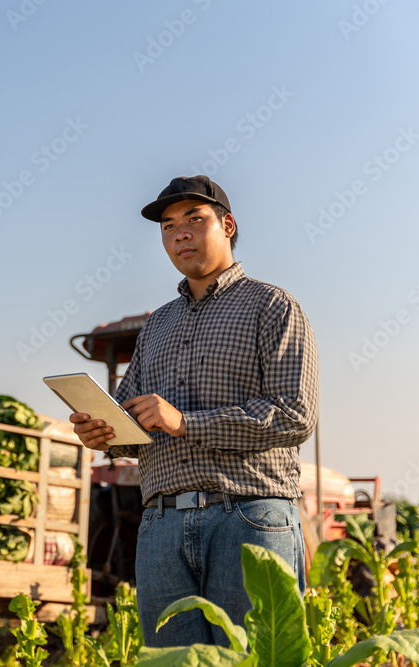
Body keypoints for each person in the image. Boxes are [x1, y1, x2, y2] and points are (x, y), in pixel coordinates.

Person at [70, 175, 319, 648]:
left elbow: (295, 414)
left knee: (249, 658)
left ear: (227, 225)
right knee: (171, 661)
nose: (179, 233)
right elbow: (137, 427)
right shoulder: (156, 326)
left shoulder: (273, 307)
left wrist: (186, 422)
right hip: (161, 524)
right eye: (167, 225)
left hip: (248, 517)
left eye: (194, 219)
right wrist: (106, 432)